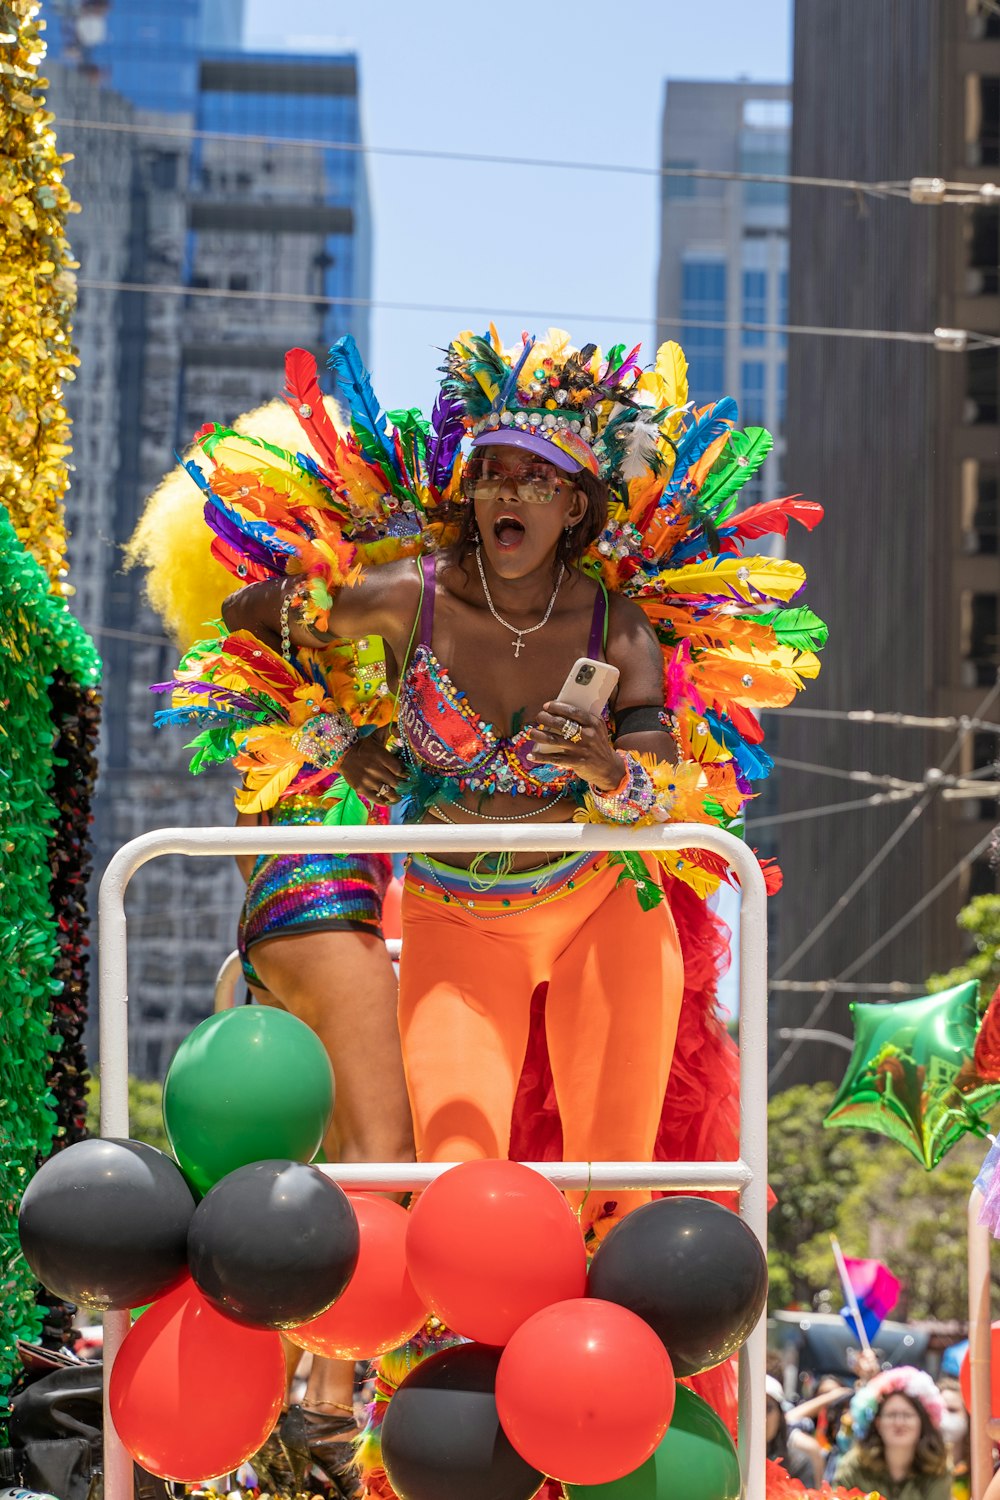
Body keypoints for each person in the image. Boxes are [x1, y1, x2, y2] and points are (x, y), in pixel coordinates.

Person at [130, 400, 414, 1499]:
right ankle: (327, 1406)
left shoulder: (349, 639)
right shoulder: (288, 627)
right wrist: (357, 731)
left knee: (317, 1165)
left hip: (293, 925)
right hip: (318, 910)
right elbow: (264, 614)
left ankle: (303, 1410)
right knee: (381, 1157)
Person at [835, 1366, 952, 1500]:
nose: (899, 1422)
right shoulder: (852, 1466)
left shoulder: (938, 1468)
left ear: (922, 1423)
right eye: (891, 1415)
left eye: (907, 1415)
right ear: (878, 1423)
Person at [766, 1375, 817, 1486]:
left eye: (768, 1408)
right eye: (753, 1409)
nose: (762, 1417)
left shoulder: (799, 1463)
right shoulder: (733, 1462)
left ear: (780, 1415)